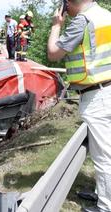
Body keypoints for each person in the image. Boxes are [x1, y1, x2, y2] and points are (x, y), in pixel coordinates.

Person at [48, 0, 111, 211]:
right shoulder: (106, 15)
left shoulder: (82, 21)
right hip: (107, 89)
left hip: (97, 96)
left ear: (68, 5)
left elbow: (53, 53)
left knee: (104, 157)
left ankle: (106, 207)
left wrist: (57, 24)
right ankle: (102, 194)